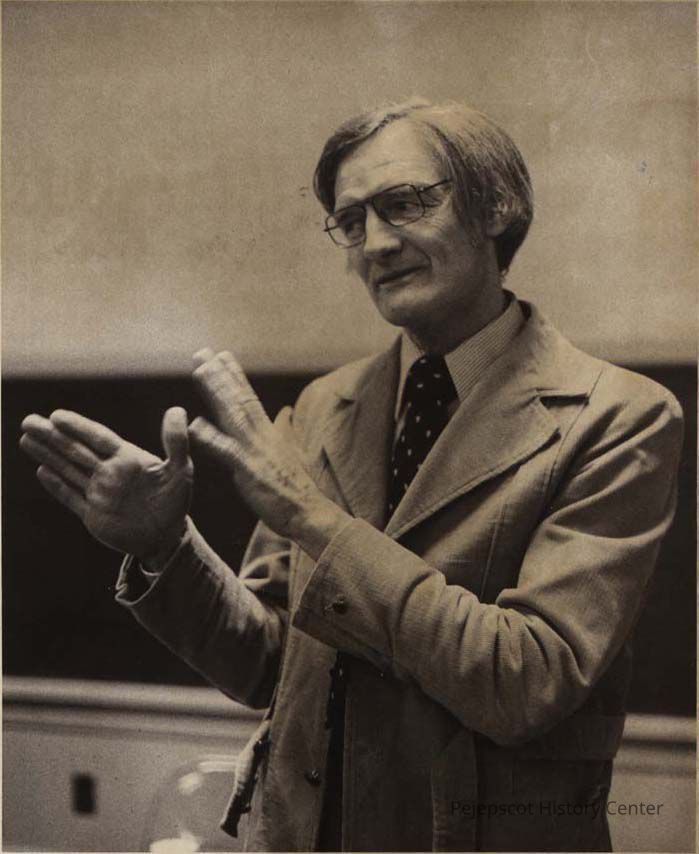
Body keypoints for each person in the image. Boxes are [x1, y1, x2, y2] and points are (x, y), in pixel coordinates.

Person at [20, 98, 683, 852]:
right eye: (351, 220)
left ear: (497, 206)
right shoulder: (324, 408)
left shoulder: (619, 416)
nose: (376, 243)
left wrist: (316, 521)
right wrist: (163, 547)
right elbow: (271, 667)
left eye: (405, 204)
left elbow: (527, 682)